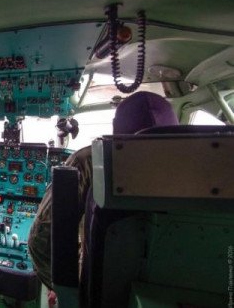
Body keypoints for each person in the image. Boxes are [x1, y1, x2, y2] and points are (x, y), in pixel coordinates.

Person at [27, 90, 179, 291]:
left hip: (98, 289)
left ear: (118, 131)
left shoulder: (89, 161)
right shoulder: (211, 168)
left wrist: (66, 291)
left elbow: (41, 239)